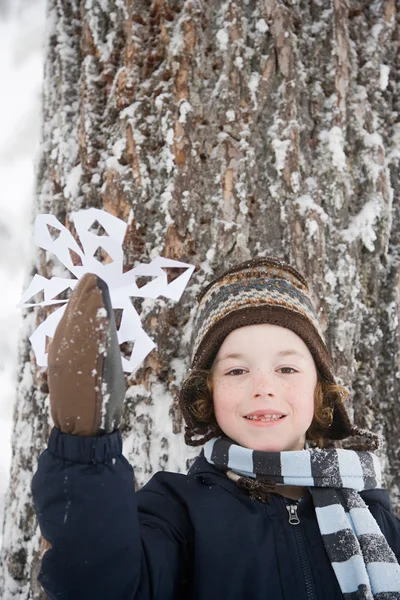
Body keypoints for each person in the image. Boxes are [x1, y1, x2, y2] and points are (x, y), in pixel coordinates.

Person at [31, 256, 400, 600]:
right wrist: (85, 447)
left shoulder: (374, 515)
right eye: (237, 371)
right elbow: (105, 582)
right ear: (207, 393)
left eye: (286, 369)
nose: (263, 386)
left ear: (320, 390)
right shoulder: (178, 511)